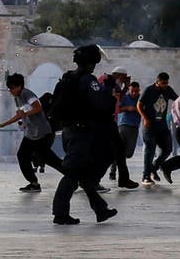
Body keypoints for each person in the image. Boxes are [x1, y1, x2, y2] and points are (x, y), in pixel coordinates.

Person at [50, 44, 118, 225]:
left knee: (82, 174)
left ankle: (100, 210)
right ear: (92, 62)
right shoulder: (88, 80)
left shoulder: (69, 78)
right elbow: (102, 104)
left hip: (69, 131)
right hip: (81, 133)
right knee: (73, 174)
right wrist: (109, 89)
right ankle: (60, 213)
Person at [0, 72, 63, 192]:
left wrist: (25, 114)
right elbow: (19, 115)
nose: (10, 91)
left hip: (42, 133)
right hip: (31, 134)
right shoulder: (18, 98)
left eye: (12, 88)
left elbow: (38, 107)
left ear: (19, 86)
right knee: (22, 155)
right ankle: (34, 183)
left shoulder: (27, 94)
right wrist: (2, 125)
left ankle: (75, 177)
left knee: (49, 158)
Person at [138, 72, 178, 184]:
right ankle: (146, 176)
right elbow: (139, 105)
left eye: (166, 83)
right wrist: (145, 118)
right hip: (149, 126)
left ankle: (154, 168)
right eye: (163, 83)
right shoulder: (149, 90)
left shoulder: (168, 90)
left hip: (162, 125)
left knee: (168, 149)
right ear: (157, 81)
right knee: (150, 149)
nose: (165, 85)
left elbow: (177, 99)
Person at [103, 66, 137, 189]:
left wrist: (126, 87)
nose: (123, 81)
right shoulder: (105, 80)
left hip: (111, 121)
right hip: (105, 120)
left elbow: (119, 98)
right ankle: (93, 178)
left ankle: (123, 179)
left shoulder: (116, 85)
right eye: (123, 79)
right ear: (118, 75)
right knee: (113, 151)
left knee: (119, 151)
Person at [115, 80, 141, 188]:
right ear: (129, 90)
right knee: (120, 151)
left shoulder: (141, 99)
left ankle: (115, 162)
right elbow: (117, 109)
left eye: (136, 91)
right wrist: (127, 108)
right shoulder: (125, 98)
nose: (134, 93)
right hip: (123, 125)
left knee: (128, 153)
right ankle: (114, 169)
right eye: (132, 91)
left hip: (134, 127)